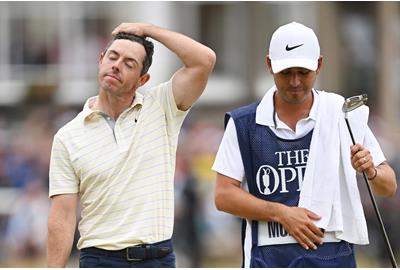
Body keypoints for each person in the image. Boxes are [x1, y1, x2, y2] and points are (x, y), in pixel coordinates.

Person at [212, 21, 397, 268]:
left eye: (303, 72)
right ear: (269, 65)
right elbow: (224, 196)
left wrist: (371, 170)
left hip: (334, 254)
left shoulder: (342, 114)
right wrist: (282, 213)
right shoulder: (244, 123)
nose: (295, 82)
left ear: (319, 65)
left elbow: (388, 186)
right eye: (286, 73)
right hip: (268, 257)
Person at [47, 23, 216, 268]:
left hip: (157, 258)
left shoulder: (162, 107)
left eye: (129, 63)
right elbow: (62, 216)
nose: (116, 65)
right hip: (99, 259)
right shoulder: (67, 136)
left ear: (142, 79)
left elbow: (204, 59)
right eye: (113, 57)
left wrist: (148, 29)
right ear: (101, 59)